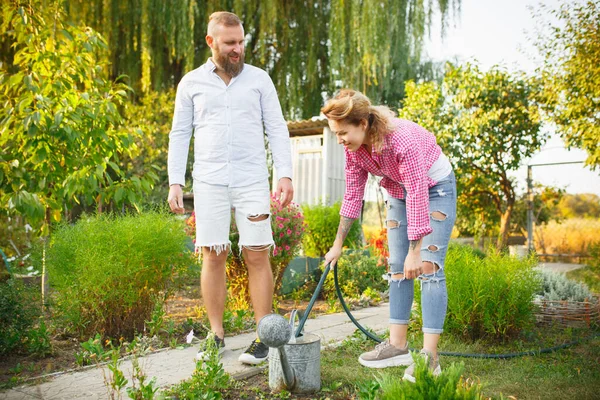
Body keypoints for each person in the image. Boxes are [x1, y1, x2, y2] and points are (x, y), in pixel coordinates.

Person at [167, 11, 293, 365]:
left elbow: (277, 129)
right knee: (213, 254)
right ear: (211, 42)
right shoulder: (191, 83)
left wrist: (284, 174)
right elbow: (180, 134)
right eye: (230, 43)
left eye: (241, 42)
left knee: (257, 254)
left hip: (252, 179)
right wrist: (175, 181)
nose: (238, 49)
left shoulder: (259, 80)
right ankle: (217, 336)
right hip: (208, 181)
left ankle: (263, 336)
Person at [322, 89, 456, 382]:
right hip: (399, 190)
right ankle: (398, 346)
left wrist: (415, 249)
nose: (340, 139)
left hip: (435, 188)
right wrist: (337, 245)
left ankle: (430, 359)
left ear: (363, 124)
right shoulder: (353, 150)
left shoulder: (401, 140)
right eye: (335, 134)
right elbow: (352, 196)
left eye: (343, 132)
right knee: (397, 267)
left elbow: (419, 191)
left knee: (428, 267)